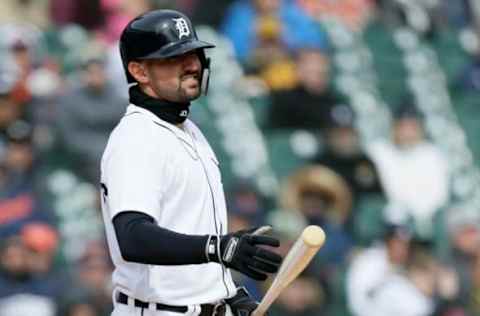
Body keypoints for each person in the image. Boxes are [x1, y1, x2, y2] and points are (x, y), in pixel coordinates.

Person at [100, 10, 282, 316]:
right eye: (173, 58)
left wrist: (228, 294)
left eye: (193, 53)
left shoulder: (189, 129)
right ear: (140, 71)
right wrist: (216, 248)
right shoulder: (136, 138)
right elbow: (132, 236)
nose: (192, 65)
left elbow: (189, 227)